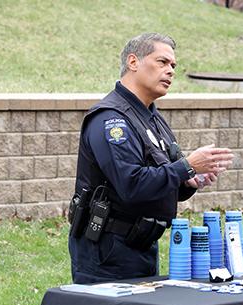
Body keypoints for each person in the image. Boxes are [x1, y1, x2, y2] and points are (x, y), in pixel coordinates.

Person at [67, 33, 233, 284]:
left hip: (142, 245)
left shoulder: (151, 118)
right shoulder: (112, 120)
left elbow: (158, 181)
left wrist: (188, 181)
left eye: (173, 66)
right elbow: (131, 184)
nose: (170, 71)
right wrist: (186, 166)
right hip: (107, 251)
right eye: (162, 62)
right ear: (133, 62)